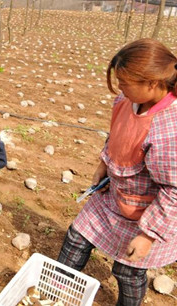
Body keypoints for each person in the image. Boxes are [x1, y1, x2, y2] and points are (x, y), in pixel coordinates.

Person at [57, 39, 177, 306]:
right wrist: (104, 164)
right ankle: (51, 292)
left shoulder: (169, 129)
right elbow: (117, 135)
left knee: (127, 270)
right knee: (77, 238)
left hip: (148, 212)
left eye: (125, 81)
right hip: (115, 194)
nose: (119, 86)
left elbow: (174, 191)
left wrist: (148, 235)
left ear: (153, 84)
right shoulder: (126, 100)